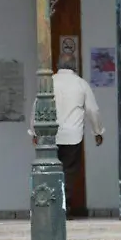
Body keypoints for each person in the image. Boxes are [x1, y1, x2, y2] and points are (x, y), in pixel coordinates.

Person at [29, 55, 105, 218]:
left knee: (50, 169)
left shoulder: (49, 82)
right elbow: (93, 110)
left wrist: (34, 132)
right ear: (74, 66)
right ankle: (65, 206)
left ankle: (51, 205)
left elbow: (37, 106)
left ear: (57, 65)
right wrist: (97, 132)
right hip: (73, 136)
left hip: (51, 135)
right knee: (69, 172)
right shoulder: (81, 83)